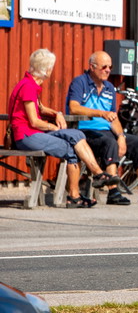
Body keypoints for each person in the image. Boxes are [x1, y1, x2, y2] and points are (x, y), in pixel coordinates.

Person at [8, 48, 118, 208]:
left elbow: (41, 108)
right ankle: (78, 192)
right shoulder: (28, 87)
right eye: (51, 67)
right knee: (70, 148)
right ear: (46, 69)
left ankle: (97, 177)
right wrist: (53, 127)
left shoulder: (29, 84)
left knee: (76, 134)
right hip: (26, 136)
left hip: (30, 134)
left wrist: (57, 114)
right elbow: (34, 121)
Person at [67, 51, 138, 205]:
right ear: (92, 67)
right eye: (104, 67)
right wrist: (101, 114)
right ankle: (113, 192)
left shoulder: (109, 87)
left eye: (110, 67)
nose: (108, 70)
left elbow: (113, 117)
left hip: (107, 132)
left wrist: (121, 136)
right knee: (110, 142)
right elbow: (73, 107)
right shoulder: (80, 82)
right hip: (85, 132)